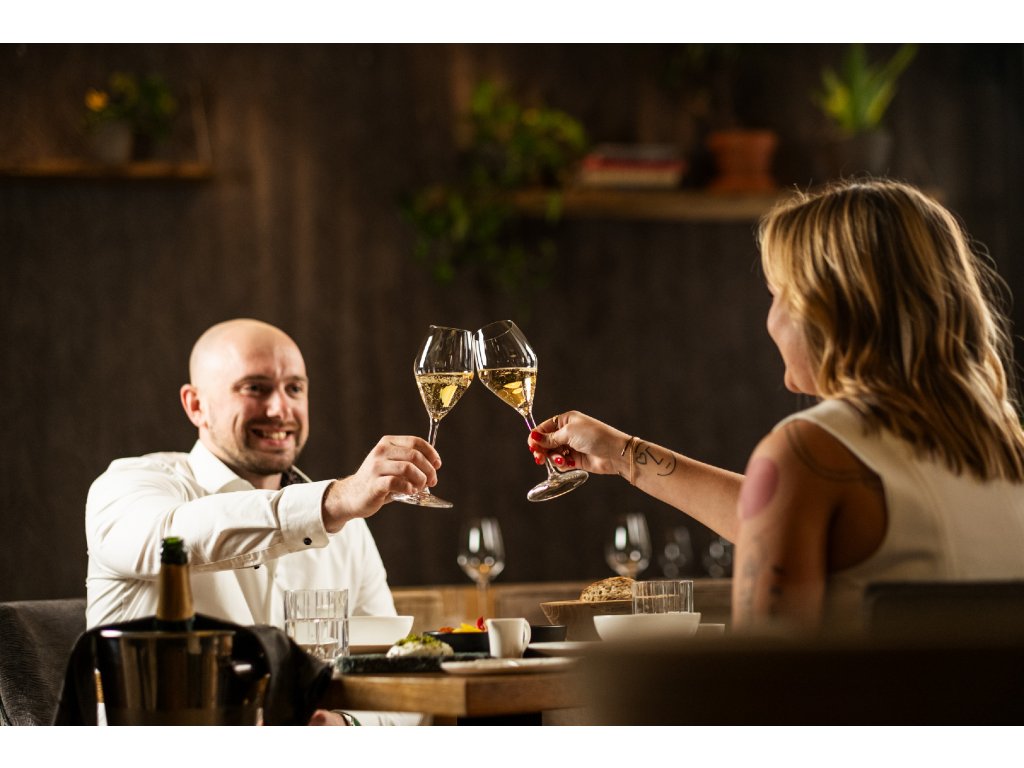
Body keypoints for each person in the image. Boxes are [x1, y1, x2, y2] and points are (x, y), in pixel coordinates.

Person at [529, 179, 1024, 636]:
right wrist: (624, 455)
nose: (770, 318)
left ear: (827, 309)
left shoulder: (809, 449)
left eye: (777, 294)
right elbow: (794, 521)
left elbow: (763, 687)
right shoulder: (1004, 449)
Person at [86, 318, 442, 725]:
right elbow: (173, 539)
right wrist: (330, 503)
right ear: (196, 405)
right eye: (254, 388)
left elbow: (402, 680)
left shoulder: (349, 526)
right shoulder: (126, 485)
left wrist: (345, 726)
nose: (279, 409)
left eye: (294, 388)